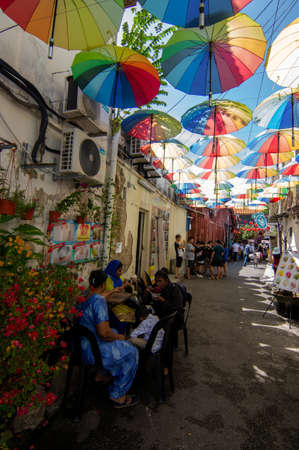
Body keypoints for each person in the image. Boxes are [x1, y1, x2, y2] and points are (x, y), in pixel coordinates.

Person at [78, 270, 139, 408]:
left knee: (116, 332)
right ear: (104, 284)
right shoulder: (99, 301)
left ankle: (102, 374)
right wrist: (120, 337)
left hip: (81, 345)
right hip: (93, 351)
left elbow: (99, 297)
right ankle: (118, 396)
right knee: (132, 352)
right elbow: (104, 333)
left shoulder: (84, 297)